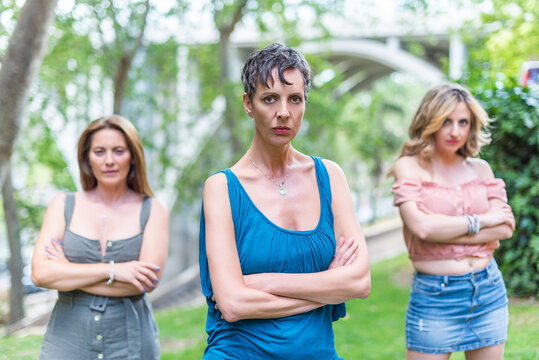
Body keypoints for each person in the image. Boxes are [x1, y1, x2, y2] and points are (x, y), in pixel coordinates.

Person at [199, 43, 371, 359]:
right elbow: (234, 304)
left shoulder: (330, 176)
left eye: (295, 99)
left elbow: (359, 281)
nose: (283, 112)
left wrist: (265, 282)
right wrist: (328, 290)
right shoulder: (222, 188)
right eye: (269, 99)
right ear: (248, 104)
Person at [390, 83, 515, 360]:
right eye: (446, 121)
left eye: (463, 122)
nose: (455, 131)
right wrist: (482, 221)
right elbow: (421, 228)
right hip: (436, 297)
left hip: (488, 290)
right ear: (430, 120)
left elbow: (505, 226)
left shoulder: (480, 168)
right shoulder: (409, 166)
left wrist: (441, 229)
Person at [31, 115, 169, 360]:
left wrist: (66, 271)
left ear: (133, 157)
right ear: (87, 158)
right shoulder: (63, 204)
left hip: (132, 341)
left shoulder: (153, 210)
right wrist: (115, 271)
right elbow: (41, 274)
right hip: (66, 342)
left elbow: (146, 282)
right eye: (99, 151)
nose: (109, 161)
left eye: (118, 151)